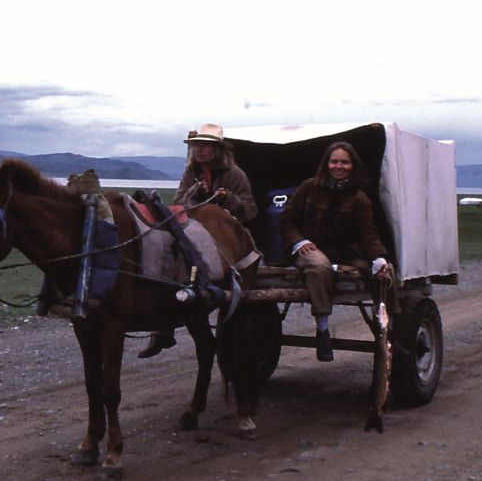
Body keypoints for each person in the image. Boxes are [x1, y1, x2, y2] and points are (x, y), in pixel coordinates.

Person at [138, 122, 258, 358]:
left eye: (205, 145)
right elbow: (178, 202)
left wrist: (228, 198)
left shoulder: (235, 174)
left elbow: (250, 211)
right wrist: (195, 193)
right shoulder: (190, 172)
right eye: (196, 146)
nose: (199, 150)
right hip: (194, 230)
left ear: (217, 149)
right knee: (165, 260)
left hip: (228, 234)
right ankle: (162, 329)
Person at [280, 141, 393, 362]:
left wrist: (379, 258)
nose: (338, 166)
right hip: (310, 248)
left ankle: (390, 330)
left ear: (353, 166)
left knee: (382, 273)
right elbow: (287, 220)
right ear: (326, 164)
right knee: (319, 266)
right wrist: (299, 242)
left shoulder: (359, 198)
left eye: (344, 162)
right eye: (334, 161)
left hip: (345, 253)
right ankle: (322, 328)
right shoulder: (309, 188)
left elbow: (368, 234)